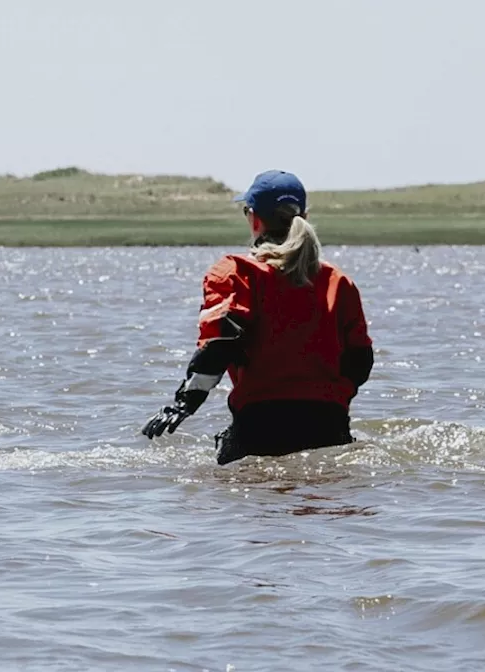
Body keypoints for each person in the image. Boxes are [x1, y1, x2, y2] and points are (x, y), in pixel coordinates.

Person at [141, 170, 374, 465]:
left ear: (253, 218)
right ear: (305, 217)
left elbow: (218, 346)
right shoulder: (338, 282)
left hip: (259, 427)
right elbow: (360, 362)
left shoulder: (235, 273)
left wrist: (181, 406)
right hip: (330, 425)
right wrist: (331, 400)